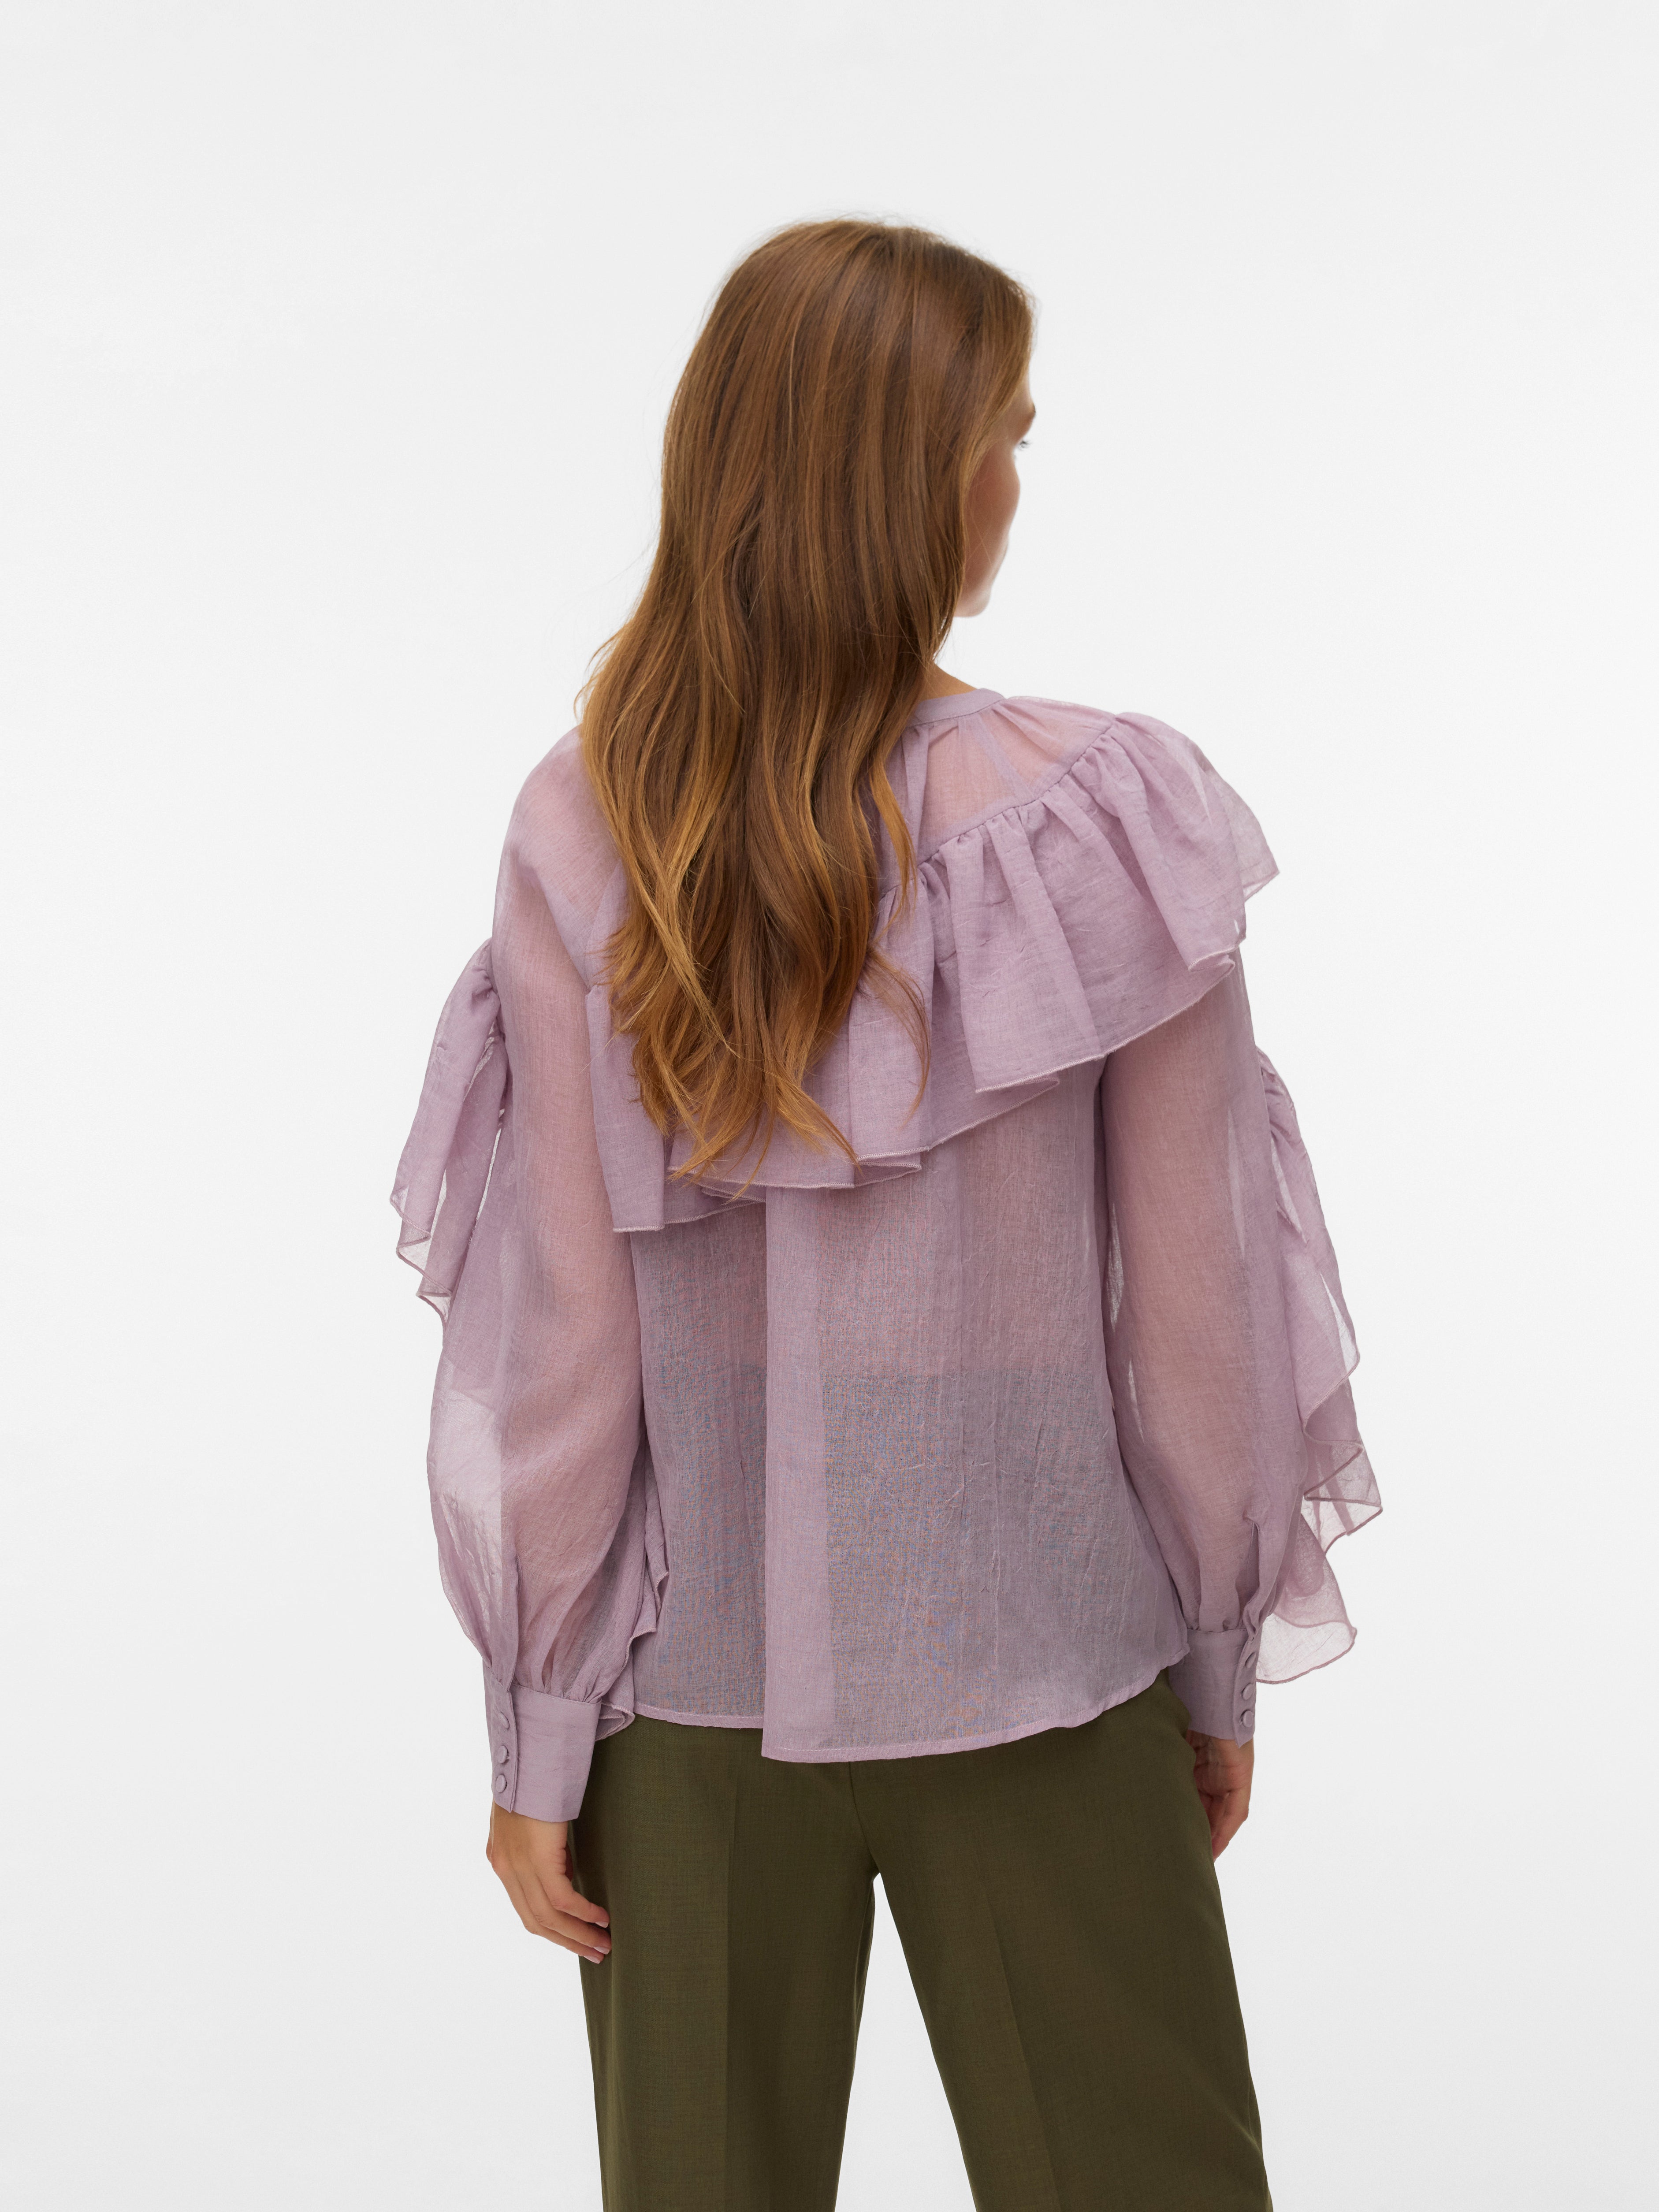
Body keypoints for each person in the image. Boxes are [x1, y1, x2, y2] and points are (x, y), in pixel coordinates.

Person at [392, 217, 1379, 2212]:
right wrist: (1209, 1652)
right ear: (915, 477)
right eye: (1002, 433)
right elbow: (1201, 1302)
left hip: (679, 1701)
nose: (1015, 477)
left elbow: (559, 1340)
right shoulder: (1102, 812)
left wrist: (543, 1721)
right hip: (1041, 1664)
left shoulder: (591, 816)